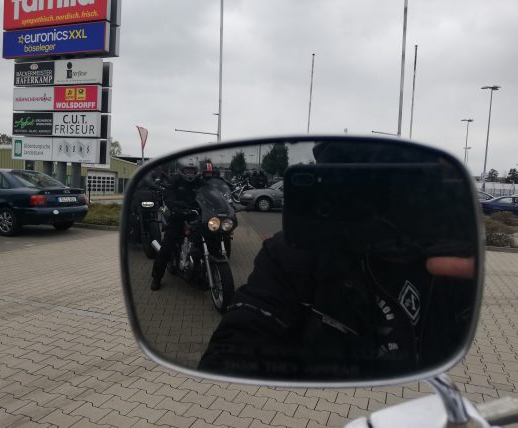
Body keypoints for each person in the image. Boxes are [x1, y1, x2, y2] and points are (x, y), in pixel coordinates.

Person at [197, 140, 476, 379]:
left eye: (390, 193)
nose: (371, 210)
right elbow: (235, 342)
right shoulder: (294, 254)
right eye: (351, 194)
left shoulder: (447, 259)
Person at [150, 162, 201, 290]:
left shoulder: (199, 182)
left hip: (195, 217)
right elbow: (168, 195)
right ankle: (157, 277)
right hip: (178, 217)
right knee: (167, 246)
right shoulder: (175, 180)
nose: (190, 173)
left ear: (196, 171)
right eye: (188, 170)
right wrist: (175, 206)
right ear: (182, 170)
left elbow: (210, 192)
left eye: (192, 170)